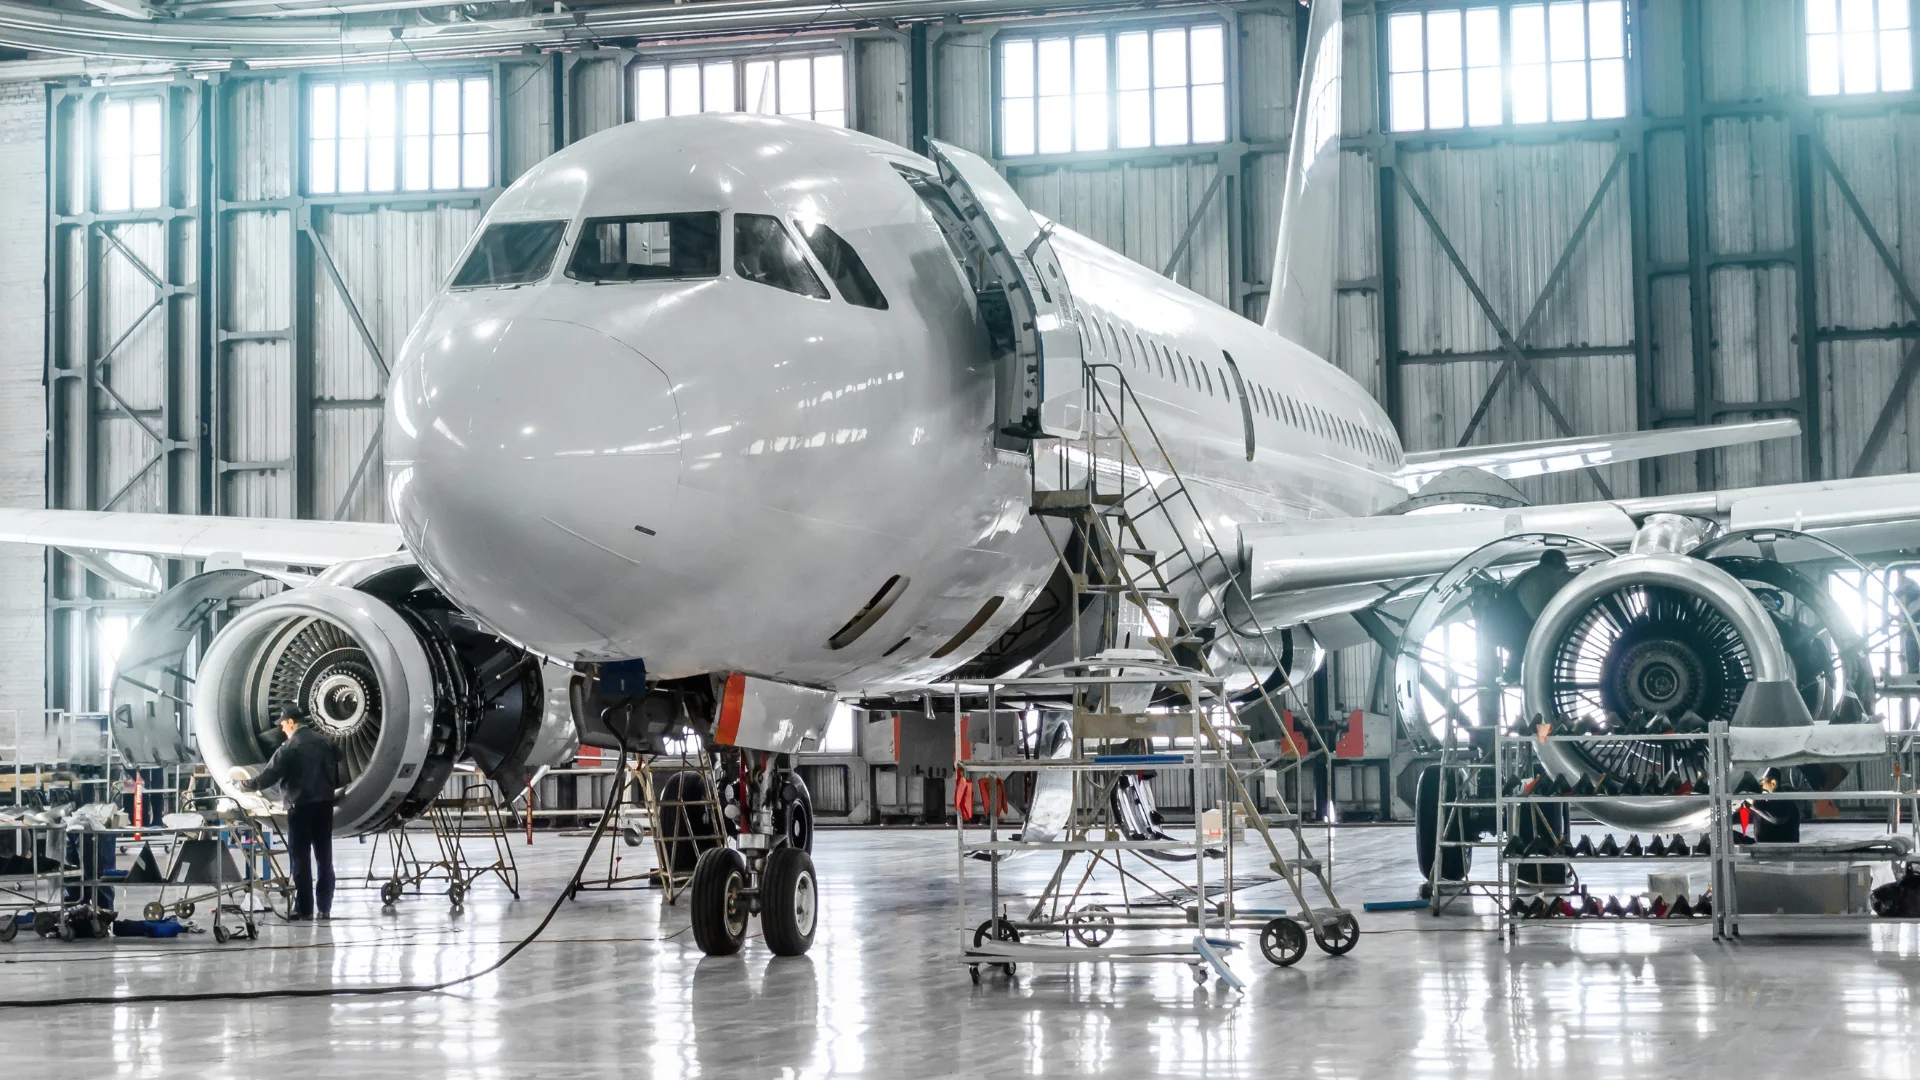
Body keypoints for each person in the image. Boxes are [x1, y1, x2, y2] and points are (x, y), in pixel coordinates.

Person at [233, 713, 340, 921]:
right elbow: (339, 762)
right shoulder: (325, 743)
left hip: (300, 807)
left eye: (283, 725)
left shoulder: (290, 748)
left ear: (292, 722)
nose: (282, 729)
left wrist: (244, 785)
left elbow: (267, 777)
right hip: (325, 805)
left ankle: (305, 910)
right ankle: (325, 908)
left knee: (300, 859)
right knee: (324, 857)